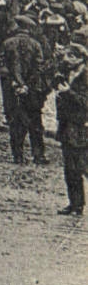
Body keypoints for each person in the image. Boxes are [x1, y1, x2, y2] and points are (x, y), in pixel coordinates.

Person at [0, 15, 49, 166]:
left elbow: (1, 66)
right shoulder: (36, 45)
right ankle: (38, 156)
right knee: (35, 122)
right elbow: (39, 68)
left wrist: (15, 83)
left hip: (13, 90)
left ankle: (18, 156)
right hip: (32, 90)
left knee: (15, 123)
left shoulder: (7, 43)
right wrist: (27, 85)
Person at [54, 45, 88, 216]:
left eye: (69, 56)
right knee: (70, 169)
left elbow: (85, 102)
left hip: (82, 127)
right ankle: (75, 204)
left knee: (82, 167)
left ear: (79, 58)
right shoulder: (67, 73)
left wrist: (68, 93)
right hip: (68, 126)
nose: (66, 59)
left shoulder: (86, 76)